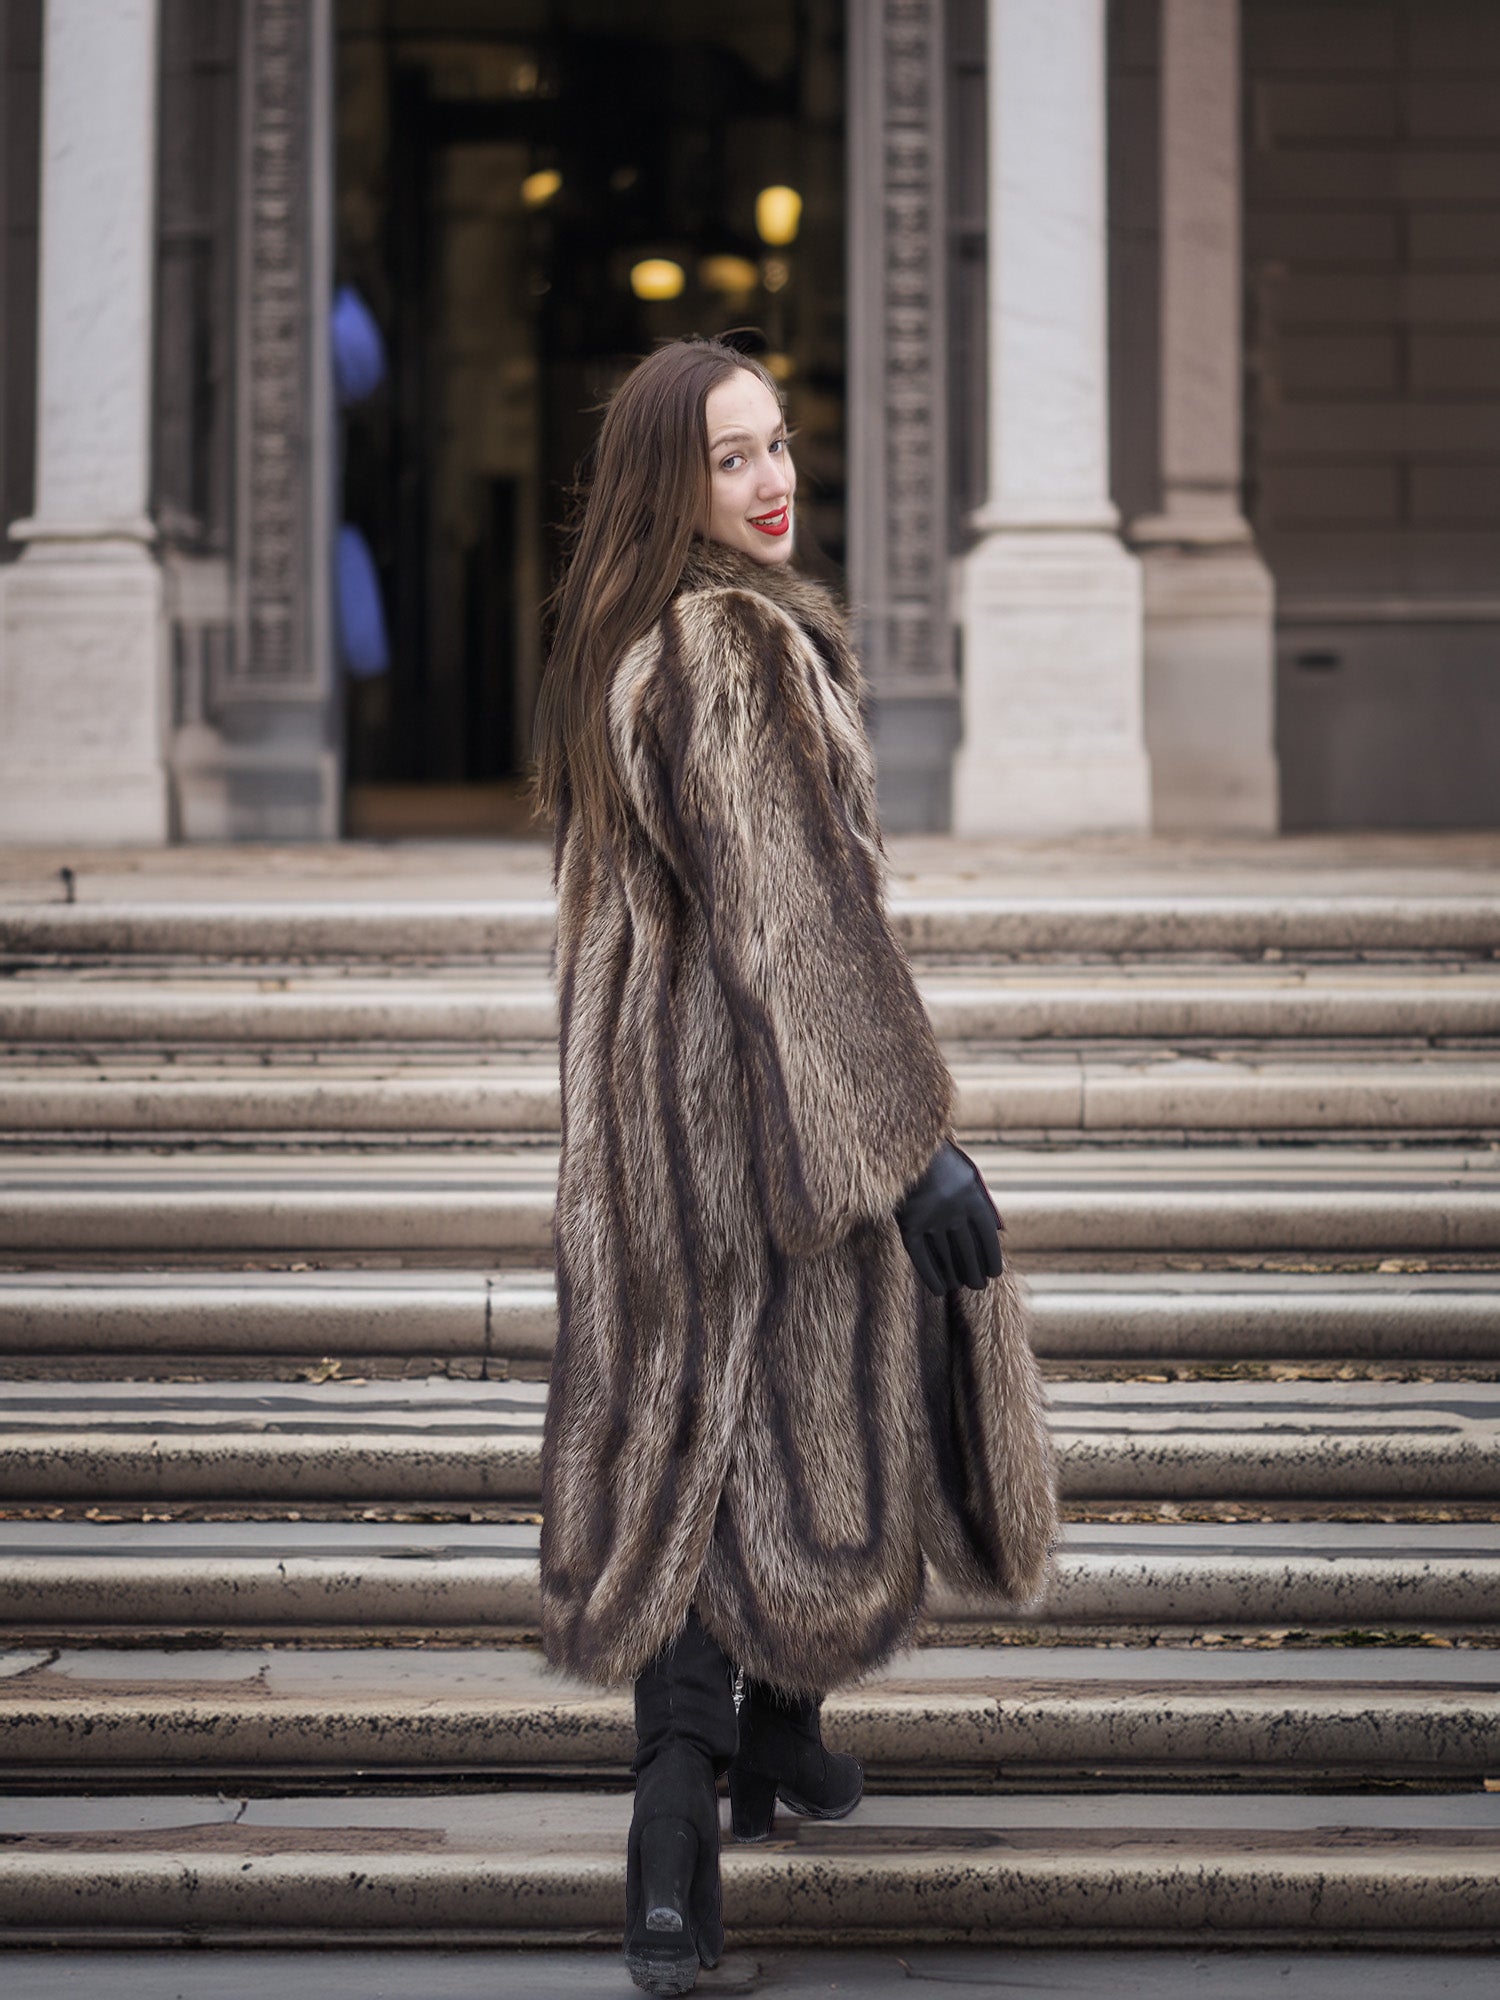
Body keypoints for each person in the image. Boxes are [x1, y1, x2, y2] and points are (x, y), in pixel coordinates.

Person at [532, 336, 1057, 1996]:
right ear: (668, 486)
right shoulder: (725, 651)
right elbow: (793, 921)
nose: (772, 486)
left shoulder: (636, 643)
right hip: (763, 1122)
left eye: (779, 450)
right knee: (777, 1432)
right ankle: (733, 1782)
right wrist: (907, 1148)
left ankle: (717, 1803)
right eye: (732, 460)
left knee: (705, 1446)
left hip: (657, 1136)